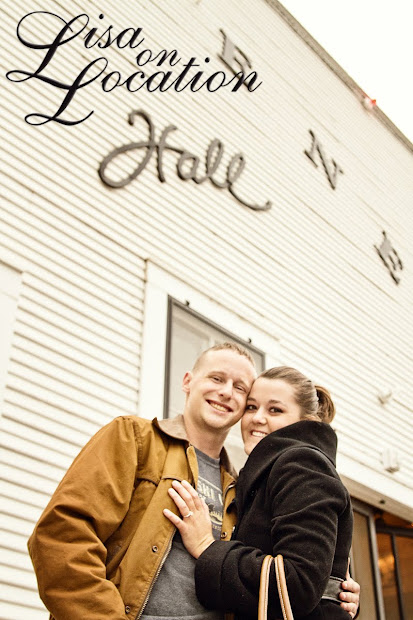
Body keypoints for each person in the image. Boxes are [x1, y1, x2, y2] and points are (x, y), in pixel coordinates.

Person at [28, 344, 359, 619]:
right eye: (216, 377)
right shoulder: (135, 438)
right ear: (187, 381)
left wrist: (332, 592)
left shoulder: (241, 487)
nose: (226, 392)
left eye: (240, 388)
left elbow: (286, 570)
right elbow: (62, 538)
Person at [164, 365, 357, 619]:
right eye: (252, 407)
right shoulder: (264, 473)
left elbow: (298, 585)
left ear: (305, 421)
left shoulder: (302, 464)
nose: (257, 418)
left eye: (275, 409)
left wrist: (206, 547)